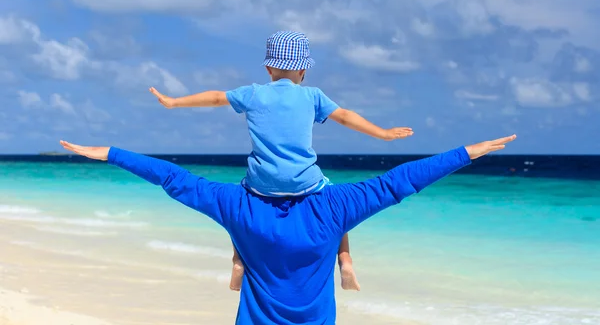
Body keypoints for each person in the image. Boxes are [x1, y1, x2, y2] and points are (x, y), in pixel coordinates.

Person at [59, 134, 516, 325]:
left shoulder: (236, 203)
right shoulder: (336, 205)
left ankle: (240, 258)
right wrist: (465, 153)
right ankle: (342, 259)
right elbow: (400, 181)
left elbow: (174, 179)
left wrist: (113, 153)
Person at [147, 31, 414, 291]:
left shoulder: (252, 94)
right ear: (303, 72)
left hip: (261, 184)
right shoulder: (312, 96)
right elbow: (344, 116)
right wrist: (383, 133)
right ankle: (344, 260)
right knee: (336, 204)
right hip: (304, 182)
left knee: (237, 207)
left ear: (268, 69)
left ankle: (239, 260)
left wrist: (173, 102)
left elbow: (216, 97)